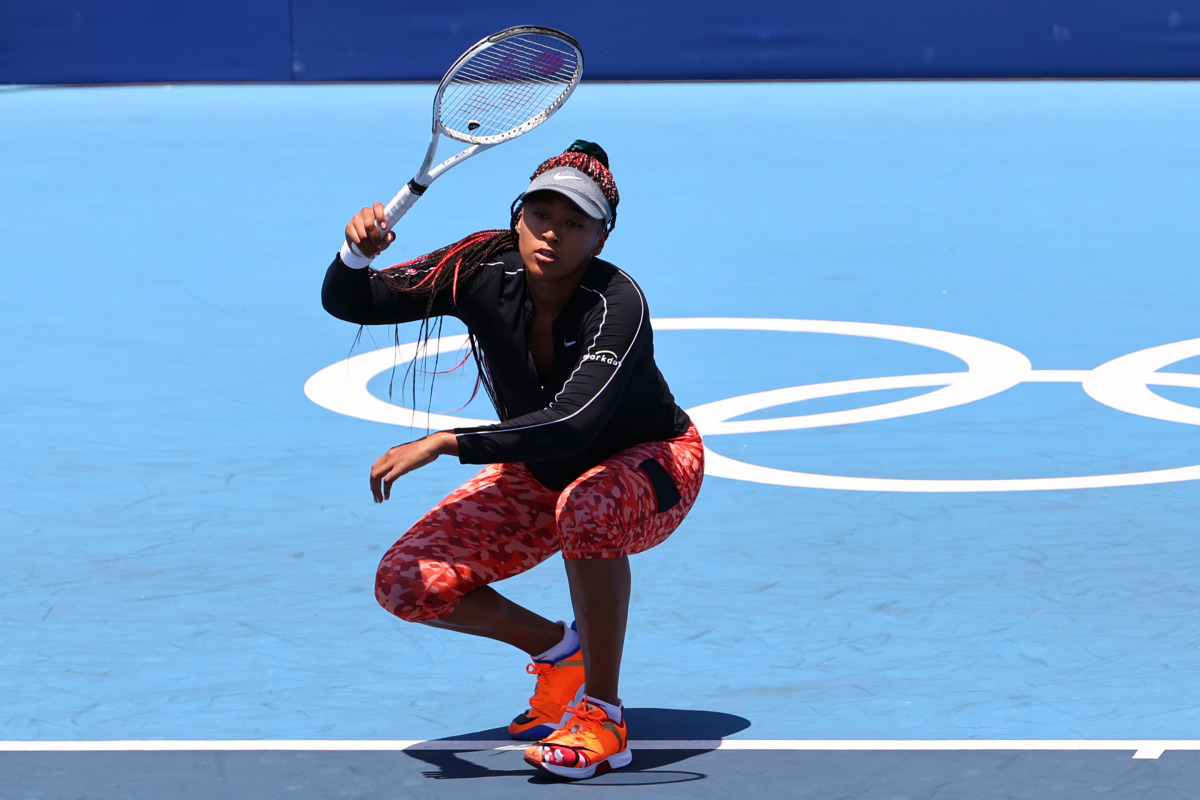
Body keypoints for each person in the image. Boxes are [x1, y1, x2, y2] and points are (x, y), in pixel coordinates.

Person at [320, 140, 704, 780]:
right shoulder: (480, 268)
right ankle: (560, 653)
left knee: (588, 504)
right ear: (517, 217)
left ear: (601, 238)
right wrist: (357, 254)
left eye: (574, 223)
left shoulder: (618, 303)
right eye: (540, 214)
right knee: (406, 583)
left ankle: (603, 719)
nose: (552, 233)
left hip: (653, 466)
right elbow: (354, 302)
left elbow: (572, 423)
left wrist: (446, 441)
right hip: (540, 472)